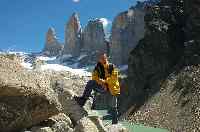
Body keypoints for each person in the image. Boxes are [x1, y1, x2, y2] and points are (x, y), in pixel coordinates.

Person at [74, 53, 120, 124]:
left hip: (112, 88)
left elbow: (114, 78)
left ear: (106, 58)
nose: (103, 59)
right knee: (91, 83)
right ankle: (82, 101)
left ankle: (115, 122)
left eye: (104, 57)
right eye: (101, 58)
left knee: (113, 105)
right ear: (99, 59)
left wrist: (105, 82)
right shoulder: (97, 67)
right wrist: (101, 83)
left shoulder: (111, 66)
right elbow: (94, 77)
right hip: (103, 87)